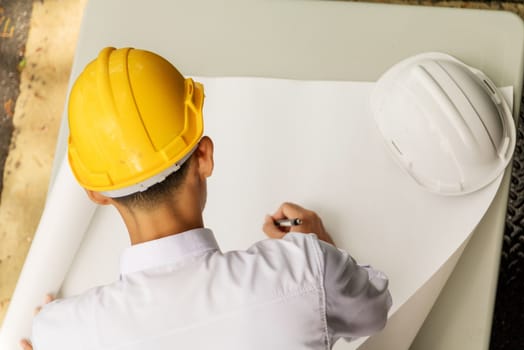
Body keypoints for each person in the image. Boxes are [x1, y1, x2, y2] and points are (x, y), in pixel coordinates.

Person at [20, 47, 391, 350]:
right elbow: (372, 314)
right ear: (204, 156)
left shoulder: (59, 333)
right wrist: (319, 246)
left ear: (95, 193)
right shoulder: (304, 269)